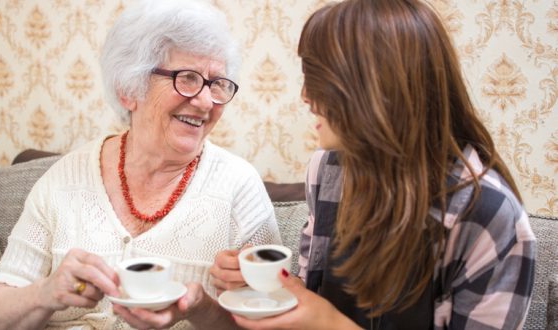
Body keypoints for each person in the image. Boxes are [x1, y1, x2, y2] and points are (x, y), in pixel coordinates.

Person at [211, 0, 536, 329]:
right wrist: (264, 286)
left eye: (317, 78)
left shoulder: (489, 216)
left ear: (372, 86)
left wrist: (328, 322)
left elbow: (323, 319)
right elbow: (310, 299)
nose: (305, 96)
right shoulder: (327, 170)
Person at [0, 0, 281, 328]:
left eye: (217, 84)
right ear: (128, 89)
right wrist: (45, 293)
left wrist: (202, 309)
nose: (206, 102)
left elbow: (277, 319)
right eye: (188, 78)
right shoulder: (64, 179)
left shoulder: (238, 187)